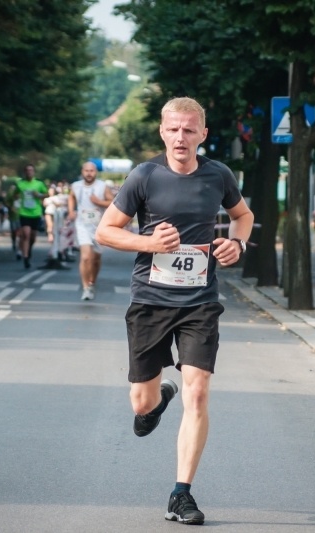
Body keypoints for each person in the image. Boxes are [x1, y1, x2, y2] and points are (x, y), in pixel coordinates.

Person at [95, 97, 253, 525]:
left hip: (200, 300)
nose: (181, 137)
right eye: (173, 129)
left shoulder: (218, 175)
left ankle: (181, 494)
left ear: (203, 134)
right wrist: (148, 243)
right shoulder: (144, 176)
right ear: (162, 132)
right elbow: (106, 231)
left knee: (197, 392)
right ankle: (157, 399)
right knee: (141, 403)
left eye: (189, 130)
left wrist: (236, 243)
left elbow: (243, 215)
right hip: (150, 299)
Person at [69, 162, 114, 300]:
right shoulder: (76, 185)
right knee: (86, 257)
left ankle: (92, 282)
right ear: (82, 171)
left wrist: (99, 202)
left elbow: (112, 202)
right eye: (86, 171)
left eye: (92, 171)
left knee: (96, 259)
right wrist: (71, 211)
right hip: (82, 225)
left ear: (96, 172)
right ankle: (86, 287)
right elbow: (71, 197)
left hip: (99, 226)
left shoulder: (102, 186)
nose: (89, 173)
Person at [13, 164, 48, 269]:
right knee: (26, 235)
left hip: (35, 213)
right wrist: (17, 201)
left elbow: (47, 194)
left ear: (34, 172)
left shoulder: (39, 184)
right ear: (25, 172)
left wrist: (39, 195)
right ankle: (26, 257)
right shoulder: (20, 184)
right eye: (27, 170)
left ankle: (28, 250)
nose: (29, 172)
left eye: (31, 170)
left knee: (32, 237)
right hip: (24, 213)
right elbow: (15, 194)